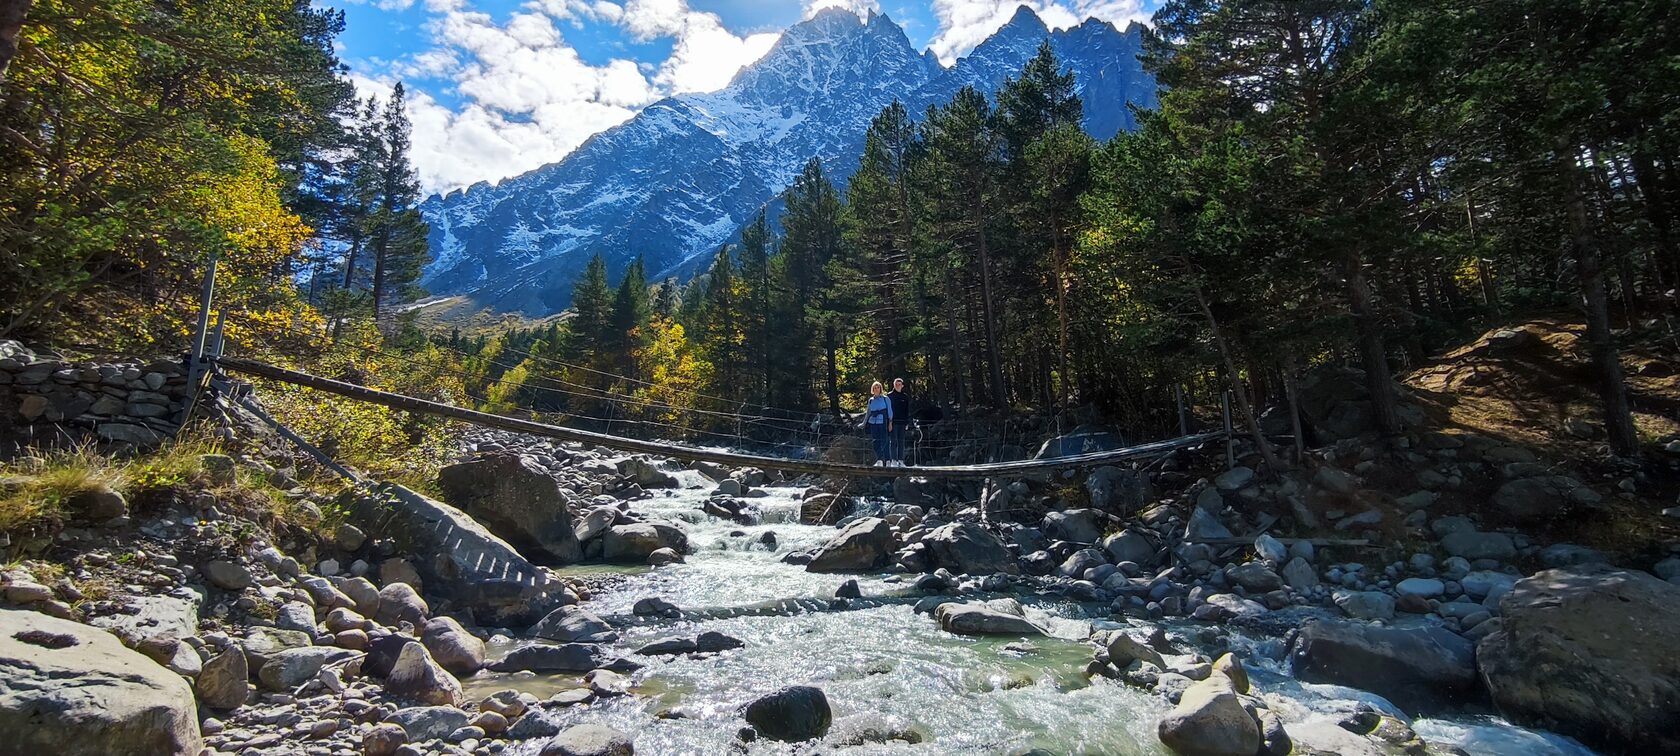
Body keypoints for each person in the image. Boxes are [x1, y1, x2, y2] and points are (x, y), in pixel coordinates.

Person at [864, 381, 893, 466]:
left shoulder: (885, 398)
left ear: (880, 388)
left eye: (878, 387)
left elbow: (890, 411)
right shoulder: (871, 400)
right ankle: (879, 459)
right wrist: (864, 423)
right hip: (873, 422)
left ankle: (888, 460)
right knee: (875, 441)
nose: (876, 389)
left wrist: (890, 422)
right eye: (875, 388)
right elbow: (868, 412)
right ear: (872, 389)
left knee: (885, 440)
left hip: (883, 421)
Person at [886, 377, 911, 467]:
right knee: (893, 441)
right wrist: (889, 422)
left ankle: (900, 460)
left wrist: (907, 422)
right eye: (896, 384)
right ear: (894, 385)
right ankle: (893, 460)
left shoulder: (905, 397)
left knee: (901, 442)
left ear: (902, 386)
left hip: (902, 422)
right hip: (893, 422)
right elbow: (888, 410)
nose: (897, 386)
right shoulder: (889, 396)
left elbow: (907, 410)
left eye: (899, 384)